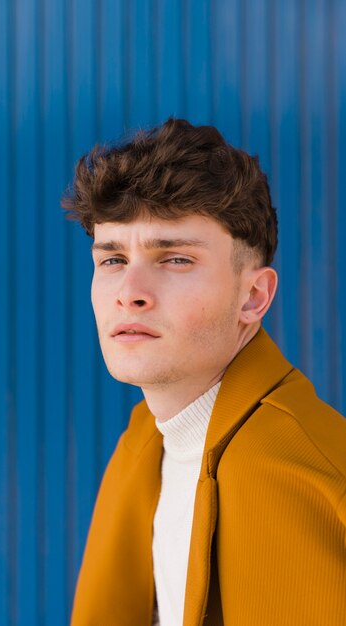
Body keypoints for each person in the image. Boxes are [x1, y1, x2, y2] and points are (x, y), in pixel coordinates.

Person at [63, 118, 346, 625]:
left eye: (174, 259)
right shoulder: (148, 438)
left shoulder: (293, 476)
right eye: (111, 260)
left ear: (253, 297)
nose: (130, 291)